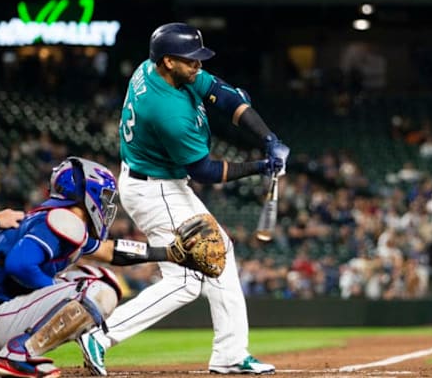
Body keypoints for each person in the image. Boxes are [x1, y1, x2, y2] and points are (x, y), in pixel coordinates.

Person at [78, 22, 289, 376]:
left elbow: (225, 96)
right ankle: (100, 334)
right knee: (188, 281)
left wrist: (268, 137)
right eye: (191, 60)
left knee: (216, 255)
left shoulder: (157, 69)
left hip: (156, 181)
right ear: (168, 62)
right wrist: (260, 166)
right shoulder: (167, 111)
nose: (198, 66)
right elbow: (203, 170)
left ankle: (231, 355)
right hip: (155, 189)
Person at [0, 157, 195, 378]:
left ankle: (10, 356)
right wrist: (57, 294)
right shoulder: (62, 220)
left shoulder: (56, 220)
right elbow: (18, 265)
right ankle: (16, 355)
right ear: (86, 193)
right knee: (99, 289)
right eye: (104, 196)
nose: (107, 204)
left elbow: (110, 251)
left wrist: (169, 253)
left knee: (93, 277)